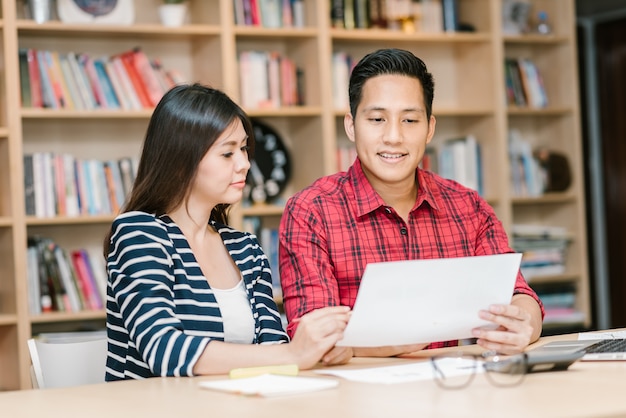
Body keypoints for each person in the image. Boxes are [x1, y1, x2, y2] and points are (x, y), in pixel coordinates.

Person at [278, 48, 544, 366]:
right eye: (377, 119)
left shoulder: (467, 207)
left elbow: (519, 294)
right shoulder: (311, 212)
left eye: (409, 120)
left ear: (429, 128)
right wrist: (408, 335)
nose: (394, 136)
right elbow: (313, 339)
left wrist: (523, 324)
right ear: (351, 126)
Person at [103, 83, 350, 381]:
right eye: (227, 153)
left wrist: (317, 350)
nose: (245, 163)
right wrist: (293, 354)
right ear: (182, 161)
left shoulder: (245, 247)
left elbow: (273, 347)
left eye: (244, 149)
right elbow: (164, 349)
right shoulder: (140, 232)